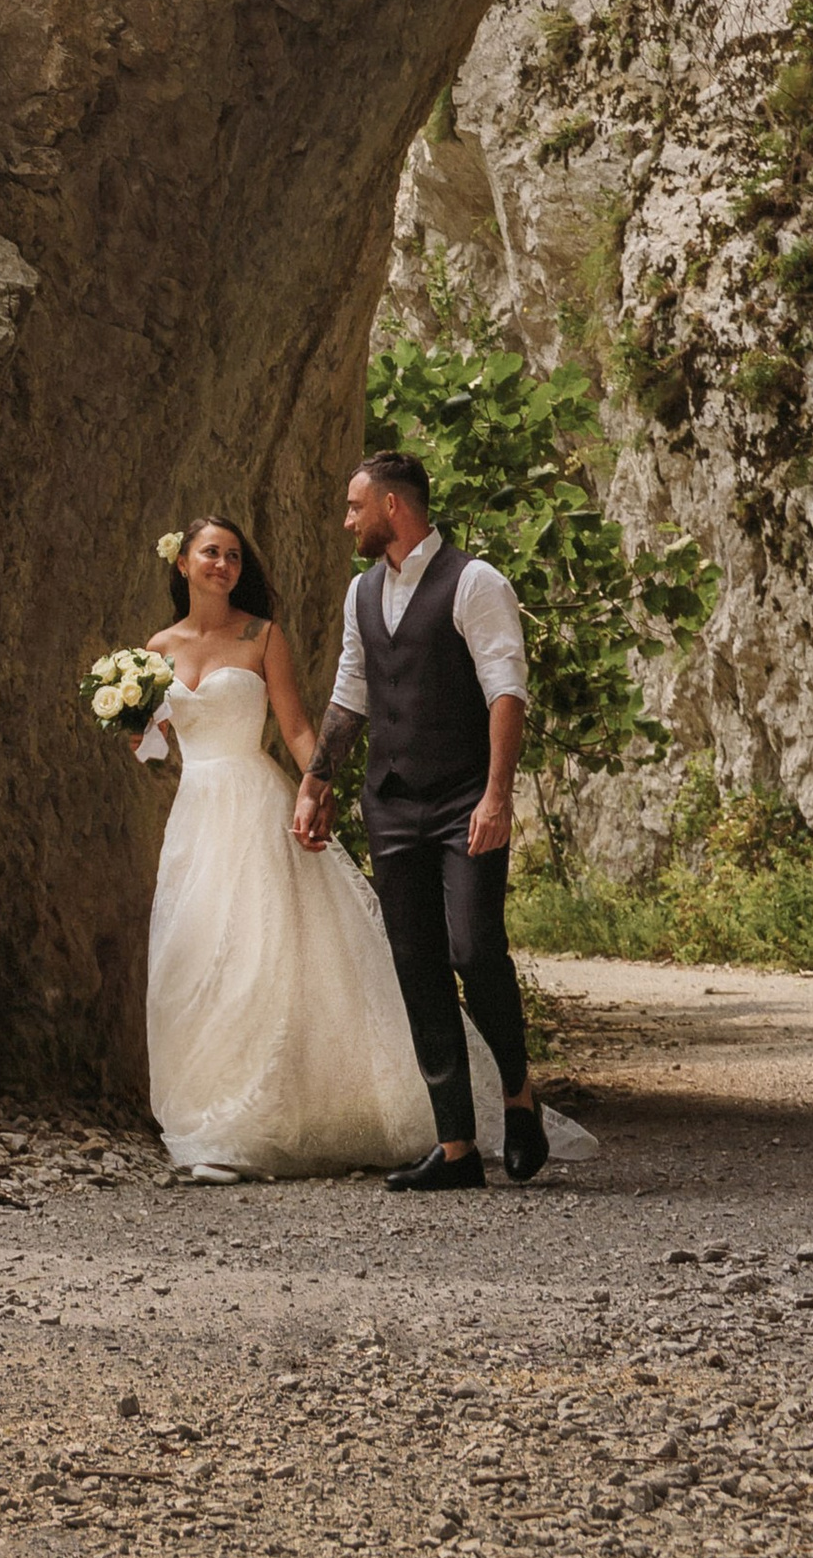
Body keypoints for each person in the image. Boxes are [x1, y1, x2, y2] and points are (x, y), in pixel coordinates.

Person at [135, 517, 484, 1180]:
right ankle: (208, 1119)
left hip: (254, 802)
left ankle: (251, 1123)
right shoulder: (156, 647)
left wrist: (316, 789)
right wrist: (136, 730)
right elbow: (156, 739)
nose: (224, 565)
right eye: (212, 553)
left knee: (256, 957)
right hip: (196, 814)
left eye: (234, 556)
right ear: (181, 563)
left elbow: (296, 726)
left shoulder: (262, 636)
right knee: (194, 957)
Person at [291, 448, 550, 1191]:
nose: (347, 520)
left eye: (354, 507)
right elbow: (351, 691)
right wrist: (317, 782)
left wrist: (497, 796)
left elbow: (506, 692)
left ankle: (518, 1094)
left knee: (475, 950)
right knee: (418, 968)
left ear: (392, 508)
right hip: (392, 803)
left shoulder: (476, 582)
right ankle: (458, 1148)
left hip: (466, 798)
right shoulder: (361, 592)